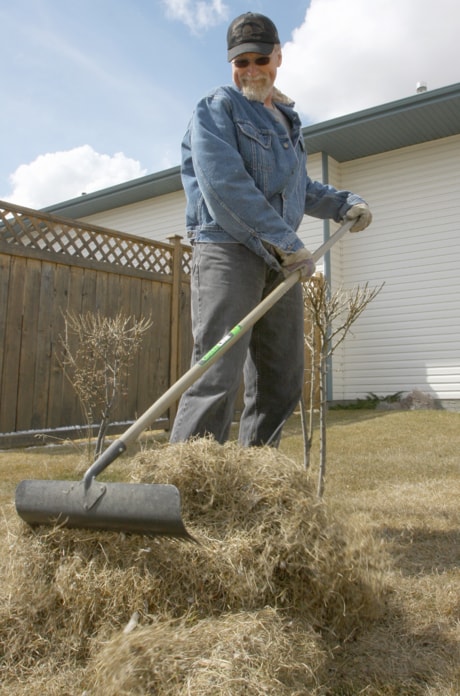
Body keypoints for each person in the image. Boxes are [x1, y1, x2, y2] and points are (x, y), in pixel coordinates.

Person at [170, 12, 372, 447]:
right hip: (227, 250)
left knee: (281, 379)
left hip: (280, 261)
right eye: (240, 62)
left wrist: (342, 204)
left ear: (278, 56)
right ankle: (185, 486)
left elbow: (299, 187)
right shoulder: (216, 107)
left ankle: (254, 481)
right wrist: (287, 244)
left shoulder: (287, 122)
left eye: (260, 59)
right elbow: (224, 185)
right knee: (217, 375)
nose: (250, 70)